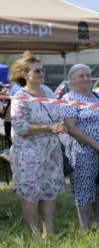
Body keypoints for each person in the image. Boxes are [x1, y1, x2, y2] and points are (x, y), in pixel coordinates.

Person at [8, 51, 66, 238]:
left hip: (51, 151)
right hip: (29, 153)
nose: (42, 73)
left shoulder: (48, 92)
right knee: (31, 192)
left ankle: (49, 233)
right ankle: (34, 236)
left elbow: (57, 116)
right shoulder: (20, 97)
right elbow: (20, 127)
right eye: (37, 71)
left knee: (49, 191)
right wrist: (49, 127)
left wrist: (59, 126)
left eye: (43, 70)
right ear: (25, 74)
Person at [59, 63, 99, 230]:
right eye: (81, 75)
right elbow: (71, 128)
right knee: (84, 190)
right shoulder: (69, 99)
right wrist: (96, 144)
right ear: (72, 79)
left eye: (88, 75)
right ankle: (84, 229)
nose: (86, 78)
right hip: (83, 153)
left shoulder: (98, 97)